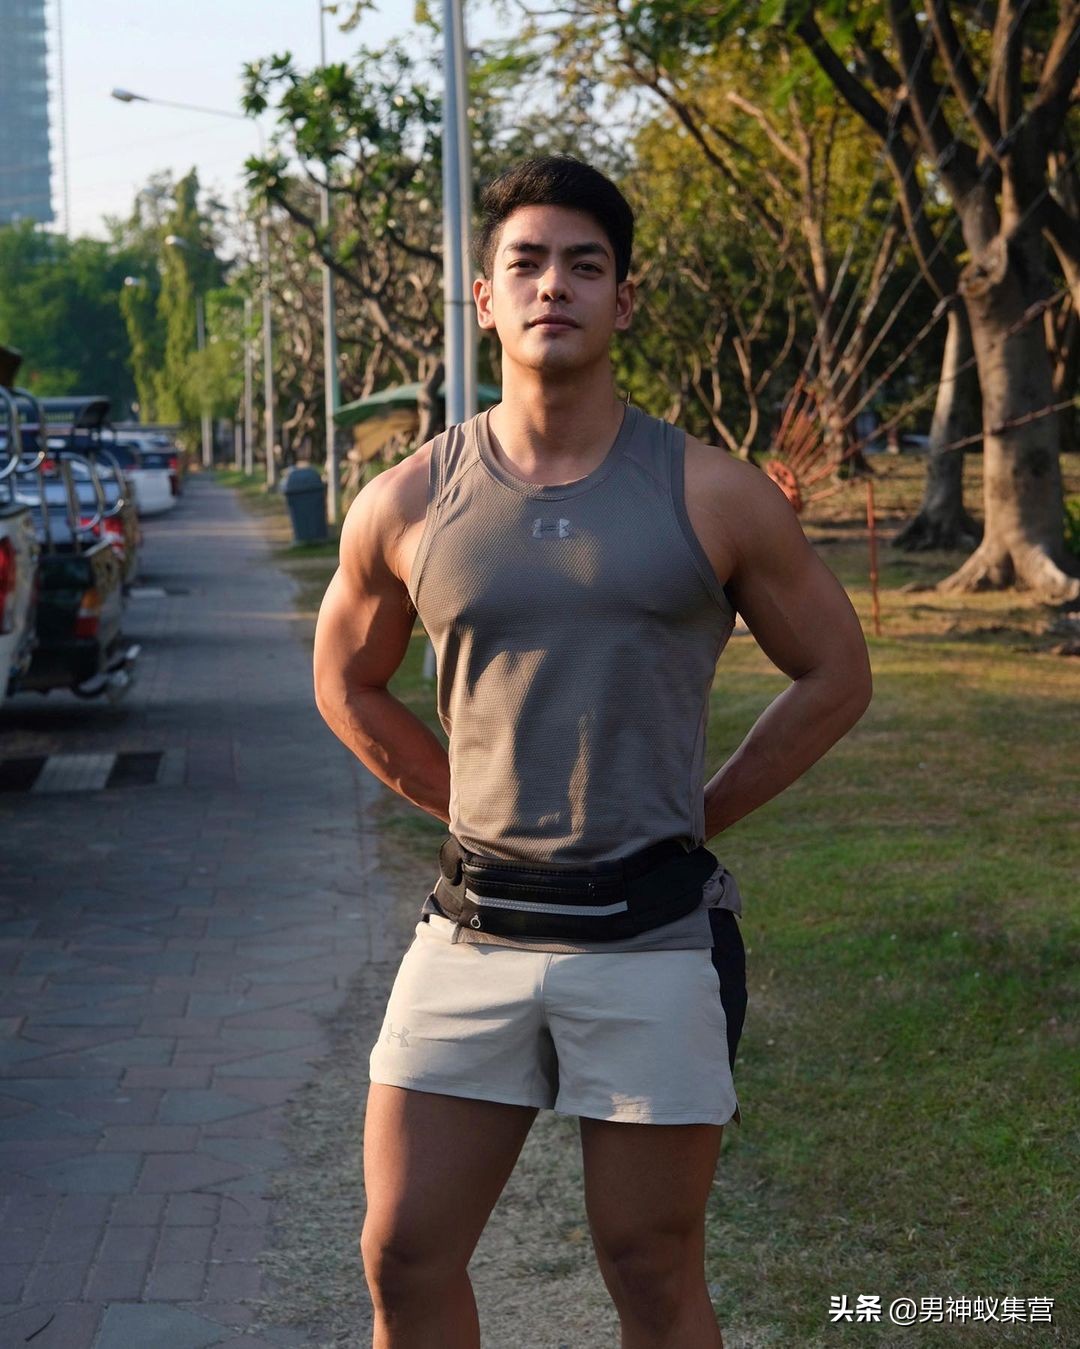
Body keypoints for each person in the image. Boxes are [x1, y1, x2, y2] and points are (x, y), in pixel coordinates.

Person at [313, 155, 872, 1349]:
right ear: (484, 297)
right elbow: (346, 679)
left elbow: (836, 672)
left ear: (625, 298)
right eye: (526, 262)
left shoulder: (714, 493)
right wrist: (461, 799)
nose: (552, 285)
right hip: (472, 932)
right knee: (403, 1251)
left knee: (650, 1267)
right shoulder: (406, 499)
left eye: (584, 264)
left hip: (651, 936)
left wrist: (702, 809)